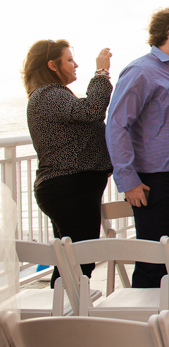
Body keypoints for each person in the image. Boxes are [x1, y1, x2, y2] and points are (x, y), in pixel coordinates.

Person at [106, 8, 169, 288]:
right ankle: (146, 330)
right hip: (156, 186)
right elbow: (117, 125)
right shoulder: (142, 71)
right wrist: (128, 181)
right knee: (154, 267)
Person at [23, 40, 113, 286]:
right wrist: (101, 73)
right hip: (69, 189)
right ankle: (67, 319)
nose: (75, 65)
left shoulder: (53, 95)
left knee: (71, 261)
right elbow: (92, 110)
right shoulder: (48, 95)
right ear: (52, 65)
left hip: (70, 188)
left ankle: (63, 315)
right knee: (79, 262)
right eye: (69, 60)